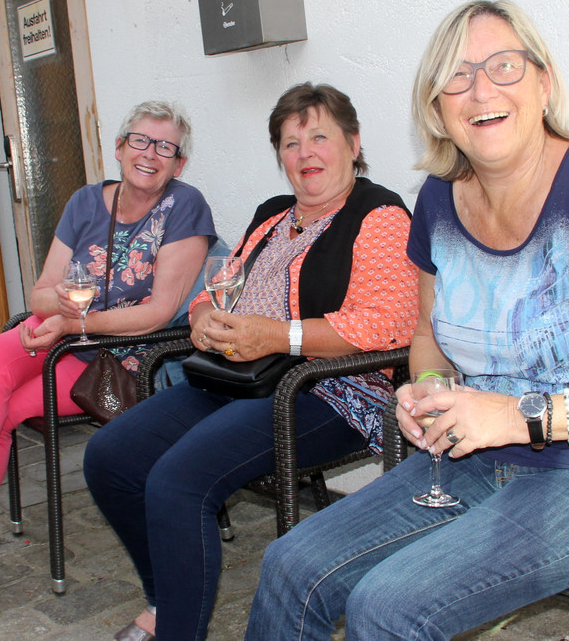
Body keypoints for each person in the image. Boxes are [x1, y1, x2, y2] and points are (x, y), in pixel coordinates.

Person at [245, 0, 569, 640]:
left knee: (389, 607)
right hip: (476, 454)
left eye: (503, 66)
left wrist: (518, 417)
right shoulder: (438, 200)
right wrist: (428, 390)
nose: (481, 90)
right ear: (436, 107)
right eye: (457, 76)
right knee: (291, 565)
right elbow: (428, 336)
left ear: (544, 82)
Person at [84, 82, 418, 641]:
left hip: (326, 390)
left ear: (353, 143)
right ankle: (166, 600)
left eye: (319, 137)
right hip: (238, 377)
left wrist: (278, 336)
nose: (305, 154)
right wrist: (201, 317)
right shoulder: (272, 215)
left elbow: (385, 324)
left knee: (178, 480)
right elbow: (219, 287)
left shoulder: (378, 215)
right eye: (290, 143)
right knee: (110, 457)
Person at [0, 101, 217, 607]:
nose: (151, 154)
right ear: (119, 147)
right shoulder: (85, 202)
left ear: (179, 163)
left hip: (112, 357)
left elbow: (158, 312)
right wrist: (58, 307)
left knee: (5, 409)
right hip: (55, 332)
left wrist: (76, 322)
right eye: (141, 140)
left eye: (165, 147)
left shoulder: (185, 206)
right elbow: (41, 292)